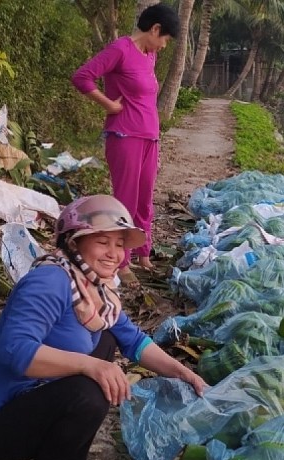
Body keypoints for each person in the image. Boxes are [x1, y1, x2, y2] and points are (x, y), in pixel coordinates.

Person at [0, 195, 207, 460]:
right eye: (103, 242)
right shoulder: (49, 281)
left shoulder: (93, 287)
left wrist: (184, 373)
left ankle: (61, 430)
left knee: (105, 338)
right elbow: (15, 351)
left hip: (34, 399)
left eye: (119, 244)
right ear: (73, 243)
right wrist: (90, 366)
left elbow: (134, 341)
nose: (114, 254)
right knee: (89, 391)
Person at [71, 4, 181, 285]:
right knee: (126, 200)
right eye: (165, 39)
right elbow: (82, 77)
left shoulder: (150, 55)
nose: (164, 45)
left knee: (145, 199)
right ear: (155, 29)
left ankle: (143, 253)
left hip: (149, 137)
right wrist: (109, 105)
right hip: (125, 136)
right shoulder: (120, 49)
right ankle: (122, 262)